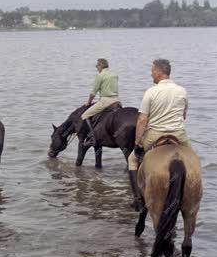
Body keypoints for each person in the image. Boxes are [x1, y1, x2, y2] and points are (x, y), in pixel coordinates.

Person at [127, 59, 191, 211]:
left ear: (159, 72)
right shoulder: (182, 91)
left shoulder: (151, 91)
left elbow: (142, 120)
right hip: (179, 134)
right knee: (193, 159)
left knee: (132, 160)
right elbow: (184, 116)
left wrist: (138, 142)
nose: (151, 74)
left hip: (155, 134)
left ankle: (137, 199)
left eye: (152, 71)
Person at [80, 58, 119, 147]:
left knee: (84, 115)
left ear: (101, 65)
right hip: (117, 100)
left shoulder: (100, 75)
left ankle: (92, 138)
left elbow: (93, 93)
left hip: (105, 101)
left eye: (97, 65)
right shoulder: (115, 75)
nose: (96, 66)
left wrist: (88, 102)